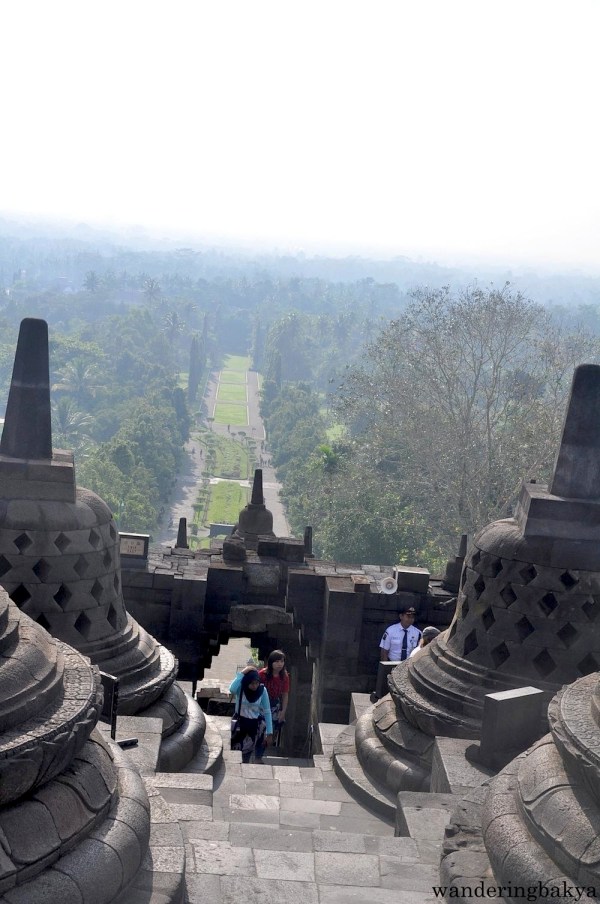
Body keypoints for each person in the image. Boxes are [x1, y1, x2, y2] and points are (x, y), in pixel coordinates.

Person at [229, 666, 273, 764]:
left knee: (246, 755)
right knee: (235, 752)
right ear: (247, 682)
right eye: (252, 683)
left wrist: (269, 732)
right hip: (239, 725)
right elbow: (232, 689)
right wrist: (243, 673)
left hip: (252, 726)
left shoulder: (262, 691)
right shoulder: (240, 687)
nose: (254, 686)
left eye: (256, 683)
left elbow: (267, 711)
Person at [258, 650, 290, 750]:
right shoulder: (262, 674)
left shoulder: (284, 676)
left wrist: (283, 711)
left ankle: (261, 751)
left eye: (281, 661)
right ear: (271, 662)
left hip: (274, 705)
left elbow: (285, 694)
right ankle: (257, 753)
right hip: (261, 704)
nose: (279, 664)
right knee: (261, 729)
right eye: (276, 661)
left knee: (272, 729)